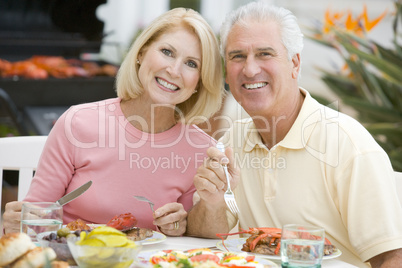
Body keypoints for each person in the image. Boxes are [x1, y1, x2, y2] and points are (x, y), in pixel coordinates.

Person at [186, 2, 402, 267]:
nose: (250, 69)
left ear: (294, 64)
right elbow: (207, 233)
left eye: (265, 54)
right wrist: (211, 203)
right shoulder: (231, 141)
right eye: (237, 56)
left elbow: (392, 256)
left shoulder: (347, 144)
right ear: (227, 73)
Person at [3, 7, 224, 237]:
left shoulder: (201, 149)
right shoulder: (77, 124)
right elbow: (34, 222)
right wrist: (16, 223)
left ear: (200, 80)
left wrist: (179, 224)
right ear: (142, 52)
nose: (174, 70)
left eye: (191, 64)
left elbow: (192, 240)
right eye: (167, 52)